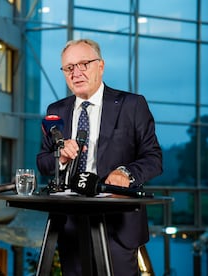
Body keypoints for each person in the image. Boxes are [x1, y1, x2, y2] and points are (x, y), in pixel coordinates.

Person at [36, 39, 162, 275]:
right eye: (69, 67)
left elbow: (153, 158)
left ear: (101, 66)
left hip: (118, 224)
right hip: (70, 222)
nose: (77, 72)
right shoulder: (56, 110)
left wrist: (126, 173)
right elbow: (43, 161)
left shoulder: (131, 105)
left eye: (84, 63)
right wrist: (60, 159)